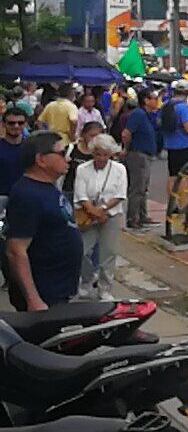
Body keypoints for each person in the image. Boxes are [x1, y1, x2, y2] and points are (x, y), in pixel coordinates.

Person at [6, 131, 81, 310]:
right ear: (41, 160)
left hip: (58, 289)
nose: (68, 158)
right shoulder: (28, 195)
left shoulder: (47, 188)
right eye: (62, 153)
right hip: (44, 295)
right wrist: (33, 299)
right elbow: (15, 251)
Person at [73, 133, 127, 301]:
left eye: (105, 154)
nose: (101, 158)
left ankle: (105, 288)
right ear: (92, 153)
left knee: (108, 253)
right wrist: (94, 211)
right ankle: (87, 280)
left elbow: (120, 194)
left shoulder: (119, 169)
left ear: (111, 154)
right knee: (81, 251)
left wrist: (103, 210)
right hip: (88, 215)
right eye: (98, 154)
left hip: (111, 215)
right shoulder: (82, 169)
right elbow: (80, 194)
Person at [120, 88, 161, 228]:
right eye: (154, 98)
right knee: (137, 188)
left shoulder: (147, 115)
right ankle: (133, 218)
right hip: (138, 154)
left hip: (147, 154)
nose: (157, 101)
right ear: (146, 100)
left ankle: (142, 215)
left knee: (143, 187)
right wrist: (127, 149)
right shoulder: (138, 114)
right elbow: (126, 133)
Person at [161, 82, 188, 225]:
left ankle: (172, 204)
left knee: (172, 176)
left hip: (171, 145)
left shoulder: (167, 105)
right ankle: (184, 206)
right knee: (185, 177)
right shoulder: (183, 107)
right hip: (185, 145)